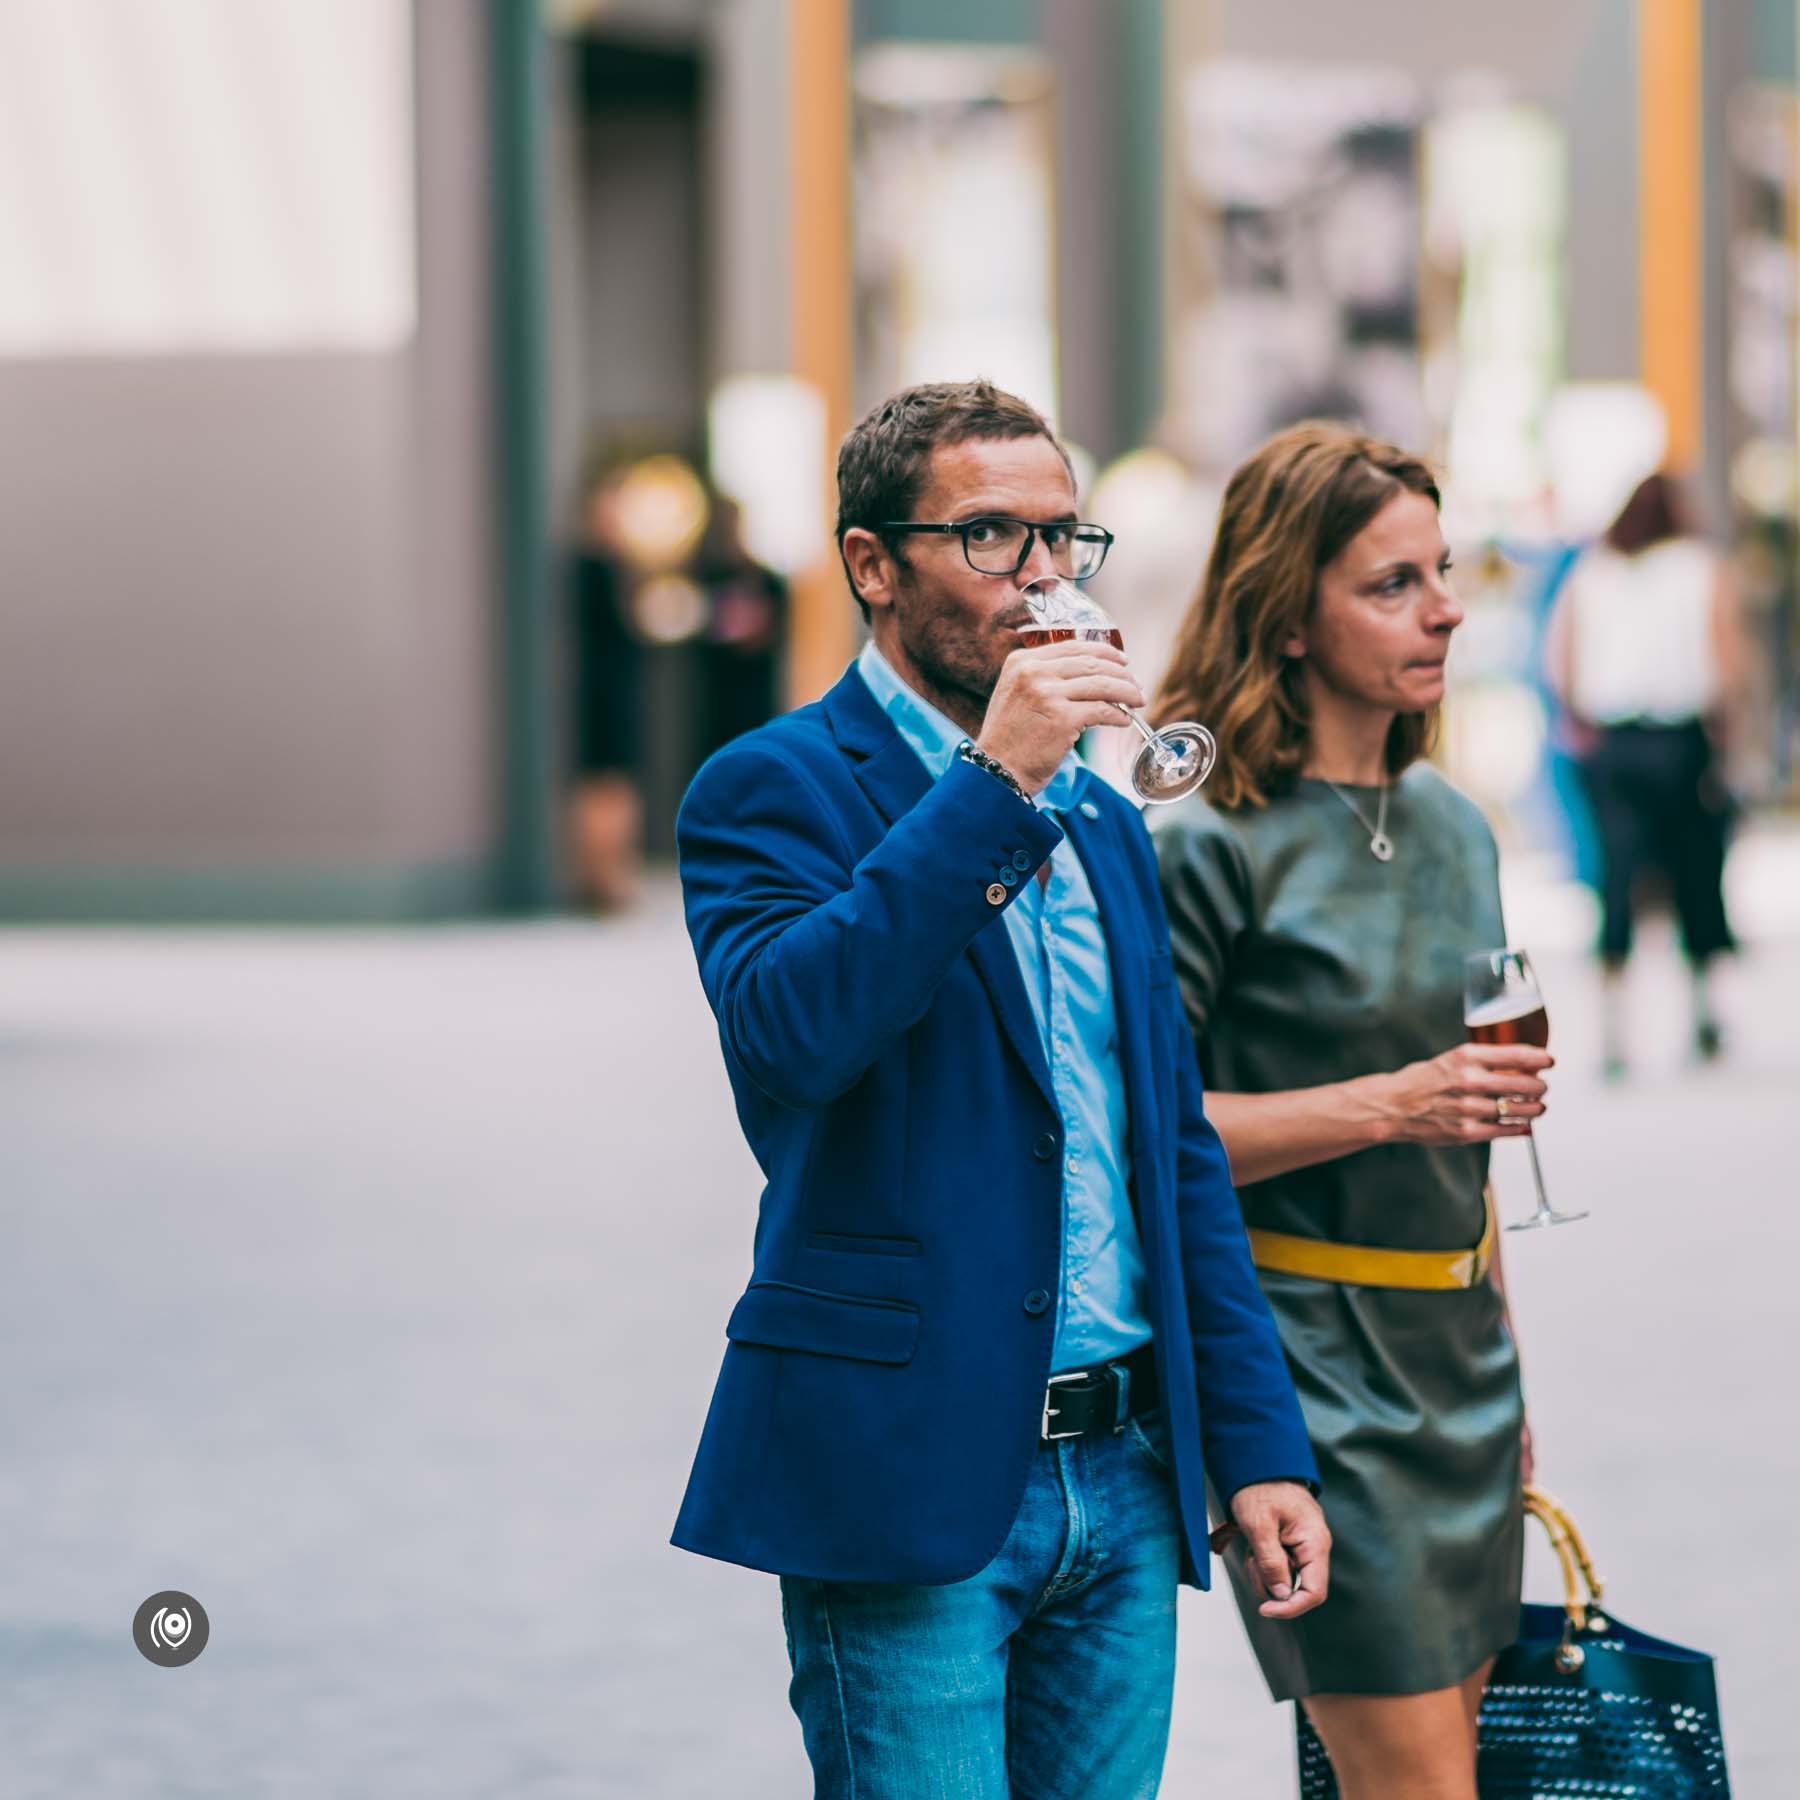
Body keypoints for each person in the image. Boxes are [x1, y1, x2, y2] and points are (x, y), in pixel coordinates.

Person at [674, 379, 1330, 1800]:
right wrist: (995, 778)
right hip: (909, 1471)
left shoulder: (1101, 819)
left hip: (1127, 1476)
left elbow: (1175, 1154)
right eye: (989, 538)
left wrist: (1256, 1443)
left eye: (1060, 538)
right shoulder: (767, 787)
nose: (1040, 576)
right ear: (871, 563)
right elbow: (795, 1042)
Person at [1150, 422, 1547, 1800]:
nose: (1444, 607)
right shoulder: (1206, 840)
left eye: (1442, 573)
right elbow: (1154, 1140)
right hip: (1310, 1372)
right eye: (1392, 583)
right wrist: (1392, 1103)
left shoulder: (1455, 824)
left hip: (1460, 1371)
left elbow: (1476, 1148)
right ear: (1290, 612)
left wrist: (1510, 1362)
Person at [1544, 471, 1744, 1075]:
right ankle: (1704, 1008)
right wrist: (1732, 734)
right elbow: (1728, 652)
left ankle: (1613, 1023)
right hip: (1681, 737)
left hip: (1614, 740)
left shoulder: (1592, 570)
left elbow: (1561, 652)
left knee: (1616, 879)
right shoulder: (1699, 566)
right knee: (1697, 872)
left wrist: (1576, 717)